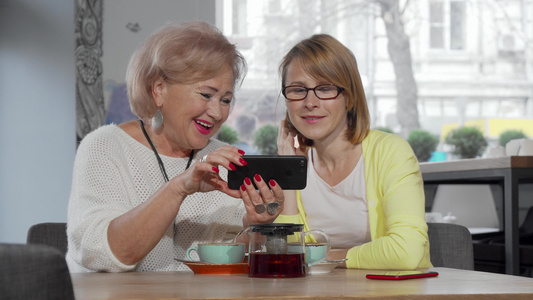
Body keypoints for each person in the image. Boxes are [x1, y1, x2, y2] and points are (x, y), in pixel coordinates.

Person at [66, 21, 284, 272]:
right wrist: (177, 189)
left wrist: (255, 225)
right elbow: (103, 254)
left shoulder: (223, 160)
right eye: (206, 95)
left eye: (225, 99)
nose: (216, 112)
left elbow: (226, 268)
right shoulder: (106, 146)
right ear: (159, 90)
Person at [275, 34, 432, 270]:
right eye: (298, 90)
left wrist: (326, 258)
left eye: (325, 89)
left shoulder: (391, 152)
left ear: (349, 96)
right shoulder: (292, 159)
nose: (310, 102)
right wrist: (288, 175)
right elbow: (283, 256)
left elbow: (406, 251)